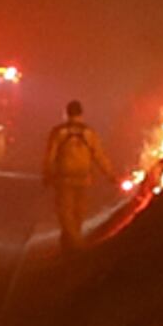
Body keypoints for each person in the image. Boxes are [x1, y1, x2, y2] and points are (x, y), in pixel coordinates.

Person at [40, 98, 107, 252]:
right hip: (84, 177)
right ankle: (71, 243)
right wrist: (110, 175)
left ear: (66, 113)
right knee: (79, 211)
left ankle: (75, 244)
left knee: (65, 212)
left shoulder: (59, 132)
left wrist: (47, 174)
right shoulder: (89, 133)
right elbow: (99, 156)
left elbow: (50, 156)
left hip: (64, 178)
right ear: (81, 114)